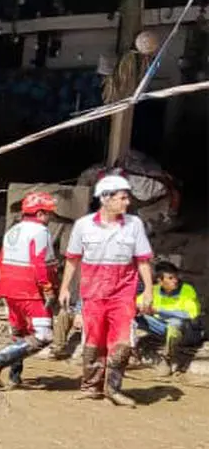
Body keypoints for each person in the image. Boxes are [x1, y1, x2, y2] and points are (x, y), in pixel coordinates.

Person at [59, 174, 154, 407]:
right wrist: (65, 288)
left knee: (121, 343)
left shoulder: (134, 225)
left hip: (123, 292)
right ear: (105, 199)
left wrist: (148, 291)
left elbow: (142, 261)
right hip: (93, 291)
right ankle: (91, 386)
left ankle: (113, 388)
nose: (127, 202)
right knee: (93, 340)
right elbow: (72, 260)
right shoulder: (83, 225)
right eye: (122, 198)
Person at [0, 192, 59, 389]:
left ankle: (15, 378)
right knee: (44, 335)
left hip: (8, 287)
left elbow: (1, 260)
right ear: (40, 213)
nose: (50, 218)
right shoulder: (40, 232)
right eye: (49, 213)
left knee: (19, 332)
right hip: (30, 290)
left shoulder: (13, 231)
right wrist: (48, 289)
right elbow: (39, 263)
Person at [135, 261, 203, 375]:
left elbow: (189, 315)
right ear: (160, 281)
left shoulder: (187, 290)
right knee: (131, 316)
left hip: (185, 330)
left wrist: (160, 311)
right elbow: (137, 304)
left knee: (175, 323)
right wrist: (142, 307)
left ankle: (170, 358)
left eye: (175, 277)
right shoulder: (154, 290)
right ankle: (132, 352)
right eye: (170, 278)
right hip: (161, 327)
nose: (175, 280)